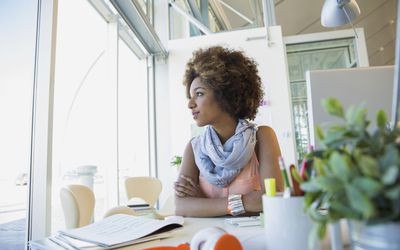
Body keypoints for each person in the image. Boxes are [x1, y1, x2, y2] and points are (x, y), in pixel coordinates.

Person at [174, 46, 284, 217]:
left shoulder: (262, 138)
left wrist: (202, 203)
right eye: (190, 96)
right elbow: (181, 207)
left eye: (199, 94)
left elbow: (273, 200)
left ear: (224, 94)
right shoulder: (193, 147)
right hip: (209, 239)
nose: (190, 104)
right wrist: (246, 202)